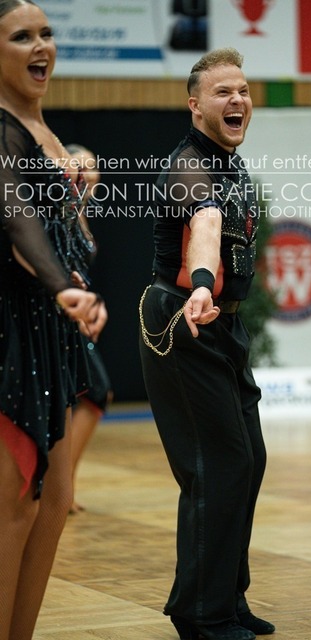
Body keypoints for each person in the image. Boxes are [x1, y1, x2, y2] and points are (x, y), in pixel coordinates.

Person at [139, 48, 275, 640]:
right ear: (195, 105)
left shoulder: (229, 161)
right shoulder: (190, 165)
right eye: (223, 92)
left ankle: (226, 597)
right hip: (184, 320)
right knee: (218, 466)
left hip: (222, 325)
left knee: (248, 461)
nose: (237, 99)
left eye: (242, 90)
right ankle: (200, 614)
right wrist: (200, 283)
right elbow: (206, 222)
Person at [0, 2, 107, 638]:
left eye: (46, 33)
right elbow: (15, 219)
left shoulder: (44, 131)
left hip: (52, 331)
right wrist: (62, 285)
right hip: (12, 329)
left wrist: (77, 287)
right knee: (16, 507)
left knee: (55, 500)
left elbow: (70, 234)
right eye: (21, 37)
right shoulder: (2, 131)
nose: (40, 45)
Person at [65, 144, 113, 515]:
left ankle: (62, 485)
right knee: (92, 392)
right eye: (81, 168)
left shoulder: (80, 212)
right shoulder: (59, 211)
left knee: (92, 393)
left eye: (93, 169)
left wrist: (94, 303)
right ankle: (59, 486)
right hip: (59, 314)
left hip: (77, 313)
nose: (89, 175)